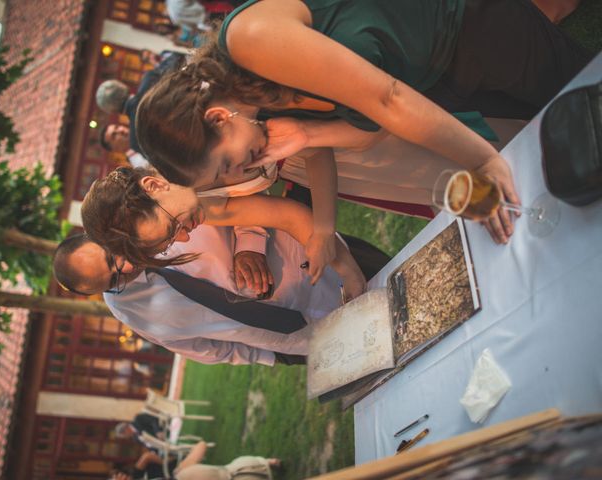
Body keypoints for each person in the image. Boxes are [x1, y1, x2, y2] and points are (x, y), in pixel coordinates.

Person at [135, 0, 592, 247]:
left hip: (464, 28)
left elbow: (387, 98)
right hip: (440, 81)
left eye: (226, 167)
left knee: (583, 93)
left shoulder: (251, 42)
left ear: (218, 118)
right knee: (563, 127)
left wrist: (482, 160)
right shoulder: (257, 108)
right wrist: (310, 134)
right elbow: (373, 127)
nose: (242, 175)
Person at [53, 220, 379, 365]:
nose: (125, 268)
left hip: (322, 265)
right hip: (303, 338)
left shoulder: (146, 209)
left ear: (98, 234)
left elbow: (238, 197)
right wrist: (276, 355)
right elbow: (205, 348)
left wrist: (248, 243)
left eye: (112, 257)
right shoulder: (129, 311)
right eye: (113, 280)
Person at [80, 166, 366, 293]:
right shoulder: (197, 205)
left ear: (153, 186)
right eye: (170, 240)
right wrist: (351, 276)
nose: (185, 236)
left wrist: (325, 232)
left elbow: (311, 142)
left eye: (171, 226)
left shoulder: (194, 147)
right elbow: (288, 216)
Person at [173, 442, 280, 480]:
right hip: (251, 466)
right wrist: (189, 459)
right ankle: (270, 462)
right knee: (233, 466)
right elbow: (202, 444)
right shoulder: (182, 469)